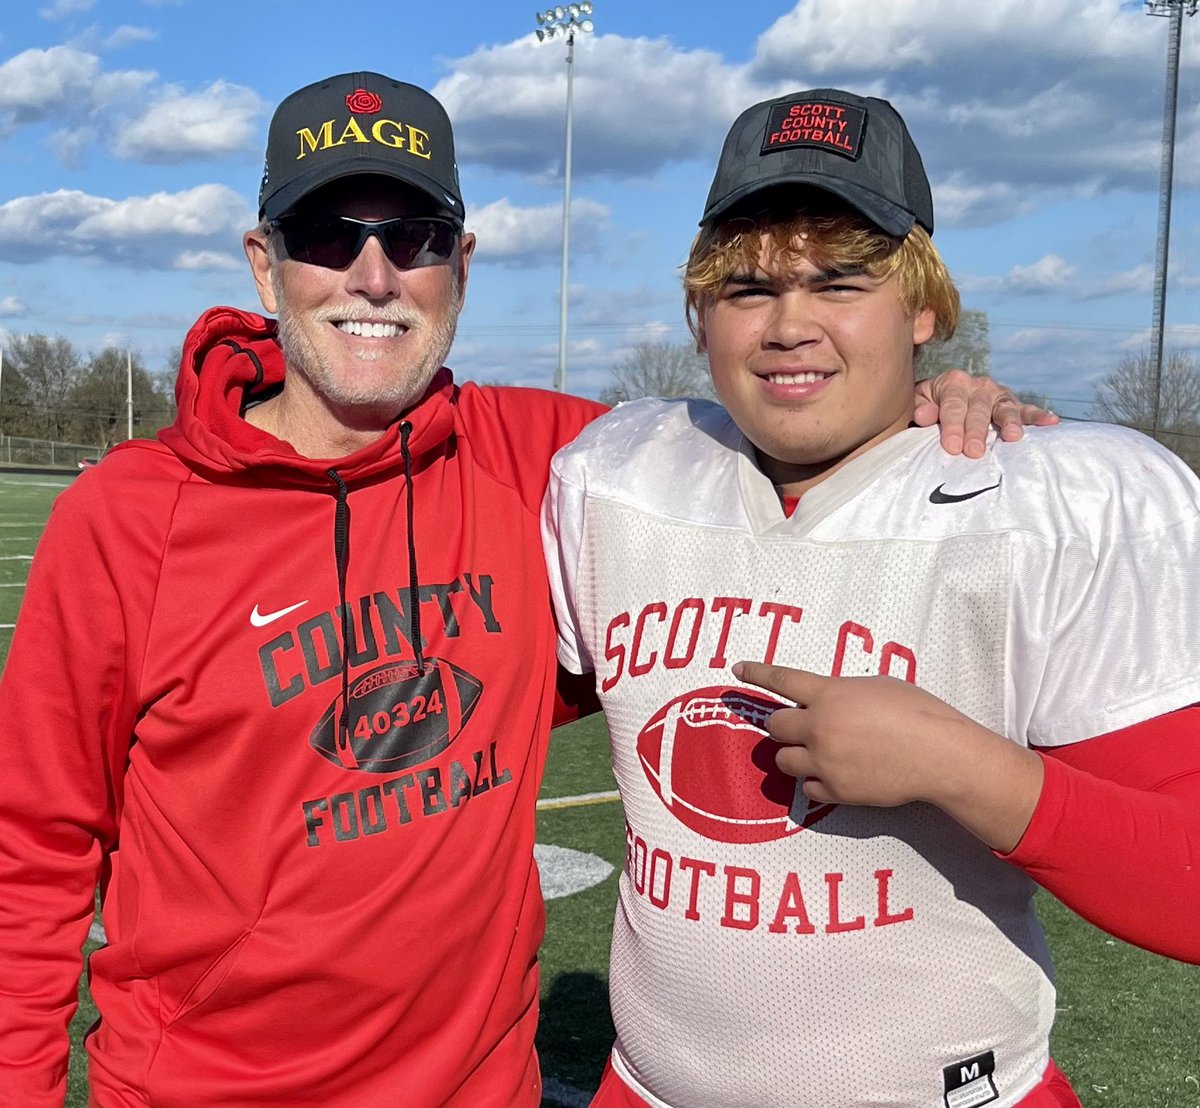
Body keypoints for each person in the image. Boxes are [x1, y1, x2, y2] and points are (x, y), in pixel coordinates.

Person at [0, 71, 1049, 1106]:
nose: (374, 276)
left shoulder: (549, 459)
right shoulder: (129, 517)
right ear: (265, 267)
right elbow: (30, 851)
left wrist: (924, 406)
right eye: (327, 235)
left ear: (459, 266)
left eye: (414, 237)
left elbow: (781, 427)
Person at [542, 87, 1200, 1108]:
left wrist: (962, 766)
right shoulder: (615, 471)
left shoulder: (1056, 498)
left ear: (924, 308)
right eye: (748, 288)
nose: (789, 326)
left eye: (840, 282)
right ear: (701, 316)